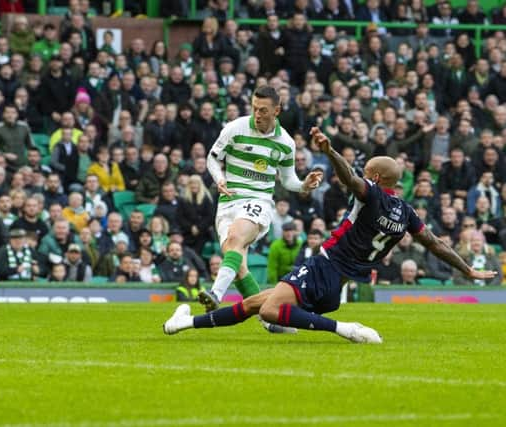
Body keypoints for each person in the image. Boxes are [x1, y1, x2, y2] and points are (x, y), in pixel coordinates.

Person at [164, 128, 497, 342]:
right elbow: (435, 243)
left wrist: (329, 149)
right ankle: (184, 323)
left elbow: (350, 178)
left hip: (325, 266)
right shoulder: (406, 213)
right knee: (254, 303)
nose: (363, 176)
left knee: (269, 311)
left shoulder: (372, 193)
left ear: (377, 178)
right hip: (339, 285)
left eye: (368, 172)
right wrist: (466, 269)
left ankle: (348, 330)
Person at [198, 85, 322, 321]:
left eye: (263, 110)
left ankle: (215, 293)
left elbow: (288, 181)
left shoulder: (285, 142)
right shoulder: (235, 128)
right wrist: (220, 178)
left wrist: (305, 185)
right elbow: (213, 159)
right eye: (255, 108)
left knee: (236, 238)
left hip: (258, 201)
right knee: (237, 266)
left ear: (277, 110)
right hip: (228, 201)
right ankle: (270, 320)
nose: (257, 114)